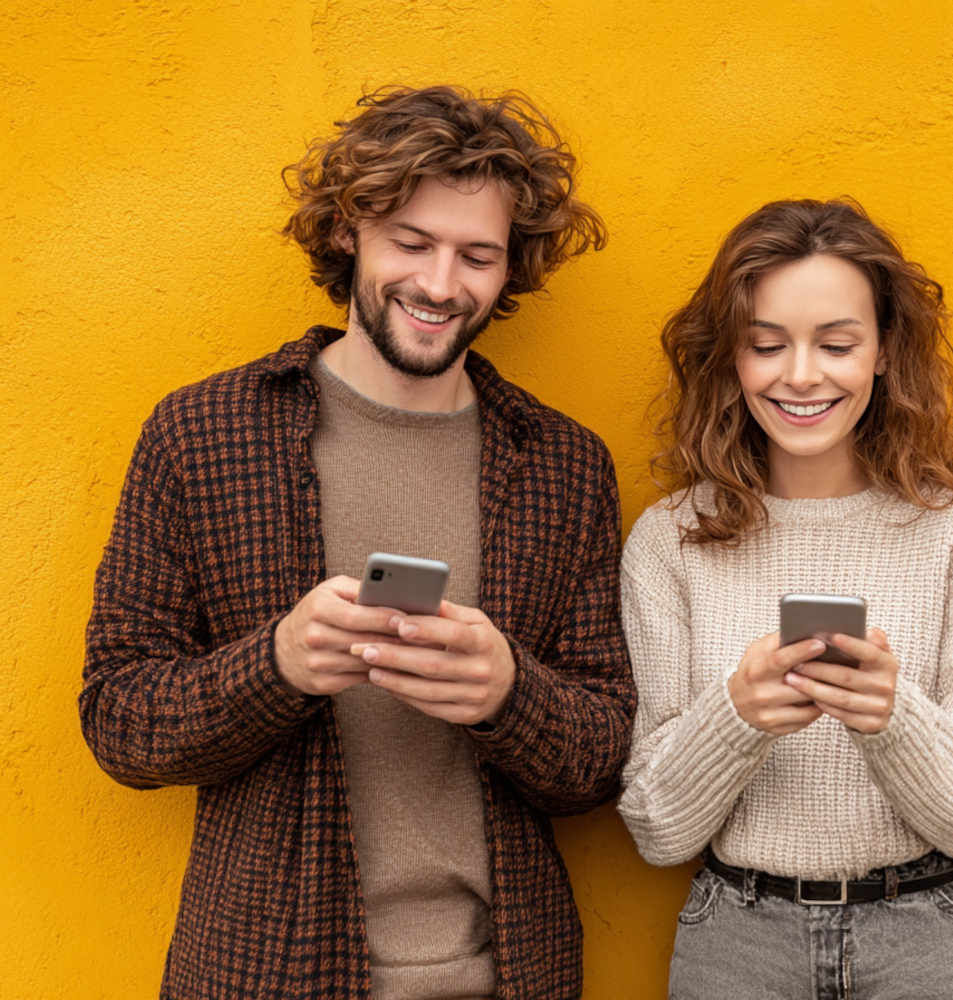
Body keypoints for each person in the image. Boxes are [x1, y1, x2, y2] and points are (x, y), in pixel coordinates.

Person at [79, 85, 635, 1000]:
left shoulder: (562, 463)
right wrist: (277, 664)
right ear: (347, 231)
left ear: (511, 272)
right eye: (412, 243)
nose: (440, 284)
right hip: (265, 973)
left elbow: (602, 755)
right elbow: (120, 721)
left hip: (512, 974)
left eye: (477, 257)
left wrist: (508, 692)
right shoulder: (204, 433)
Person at [618, 198, 953, 999]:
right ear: (731, 360)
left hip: (931, 938)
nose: (803, 374)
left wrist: (894, 717)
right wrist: (735, 716)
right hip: (738, 944)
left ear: (885, 351)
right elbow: (656, 828)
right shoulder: (670, 541)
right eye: (768, 345)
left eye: (838, 344)